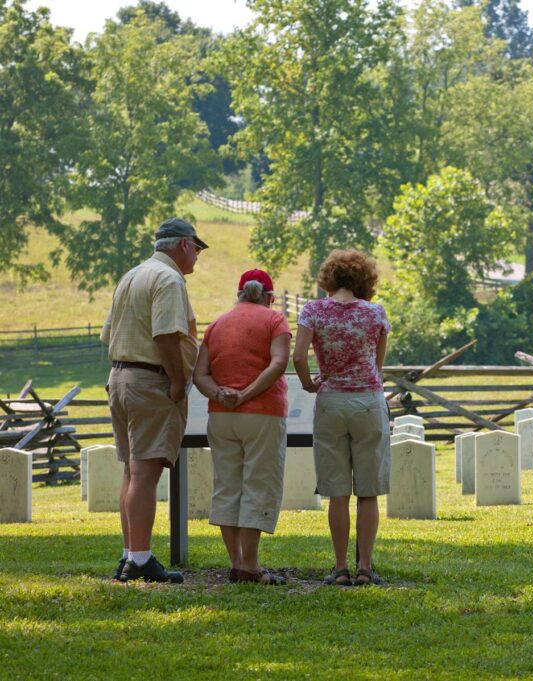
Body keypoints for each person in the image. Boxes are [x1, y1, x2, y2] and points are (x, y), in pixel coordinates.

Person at [102, 217, 207, 584]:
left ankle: (130, 554)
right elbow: (166, 335)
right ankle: (142, 560)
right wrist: (178, 382)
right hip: (151, 380)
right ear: (182, 245)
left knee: (131, 471)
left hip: (120, 376)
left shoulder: (131, 275)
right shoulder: (168, 279)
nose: (197, 255)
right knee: (145, 473)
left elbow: (107, 333)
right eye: (196, 247)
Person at [293, 249, 390, 587]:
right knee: (368, 490)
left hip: (331, 401)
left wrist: (308, 383)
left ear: (329, 279)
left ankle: (340, 568)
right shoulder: (376, 313)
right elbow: (378, 366)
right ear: (364, 280)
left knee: (337, 492)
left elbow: (298, 356)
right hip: (367, 400)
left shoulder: (312, 311)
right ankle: (364, 567)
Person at [193, 269, 291, 585]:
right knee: (258, 484)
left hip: (221, 415)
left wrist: (222, 393)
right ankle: (250, 564)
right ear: (270, 296)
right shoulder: (275, 321)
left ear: (239, 294)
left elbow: (200, 375)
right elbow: (278, 364)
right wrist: (247, 394)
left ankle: (235, 562)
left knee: (227, 485)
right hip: (263, 413)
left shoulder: (216, 326)